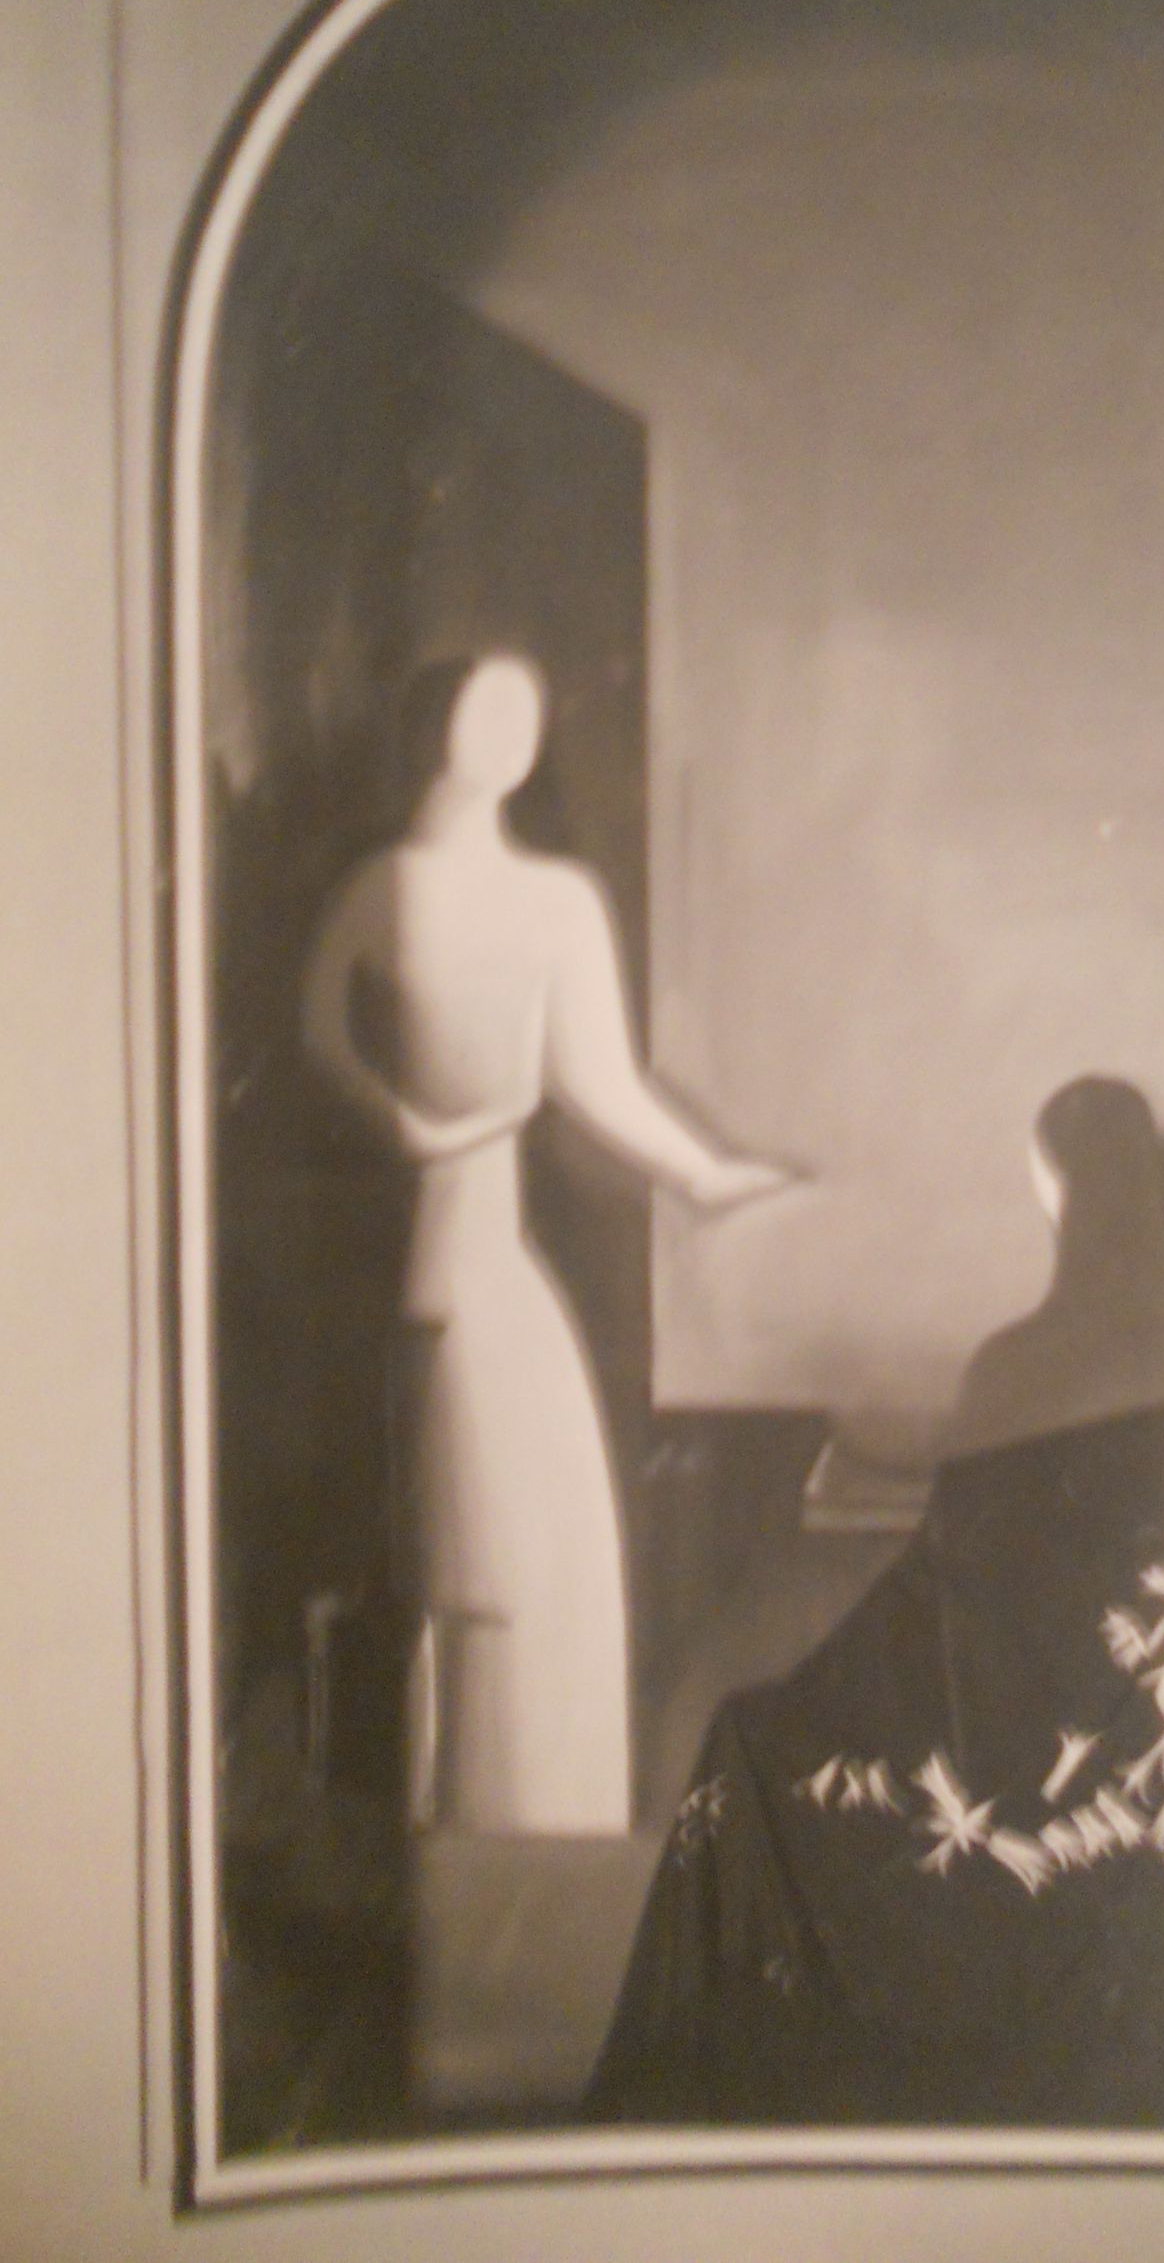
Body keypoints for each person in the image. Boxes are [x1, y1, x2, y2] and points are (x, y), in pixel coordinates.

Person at [586, 1078, 1164, 2132]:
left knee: (746, 1744)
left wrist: (849, 1680)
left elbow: (951, 1585)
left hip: (1018, 1738)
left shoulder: (1013, 1362)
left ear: (1057, 1191)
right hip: (1160, 1740)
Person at [302, 653, 788, 1837]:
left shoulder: (558, 900)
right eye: (487, 703)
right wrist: (401, 1121)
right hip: (412, 1267)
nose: (514, 725)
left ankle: (526, 1830)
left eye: (526, 708)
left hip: (490, 1260)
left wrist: (702, 1173)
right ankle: (435, 1834)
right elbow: (315, 1036)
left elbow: (598, 1081)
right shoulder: (380, 884)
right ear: (433, 723)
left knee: (535, 1538)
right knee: (446, 1548)